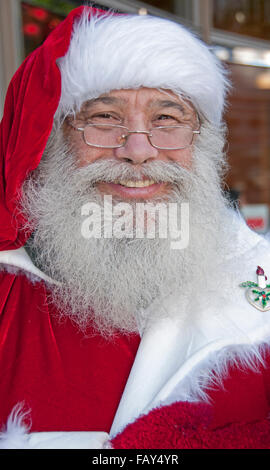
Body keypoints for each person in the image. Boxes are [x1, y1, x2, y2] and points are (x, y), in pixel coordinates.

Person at [0, 5, 270, 450]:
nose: (139, 150)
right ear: (52, 143)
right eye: (104, 118)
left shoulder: (258, 282)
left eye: (168, 119)